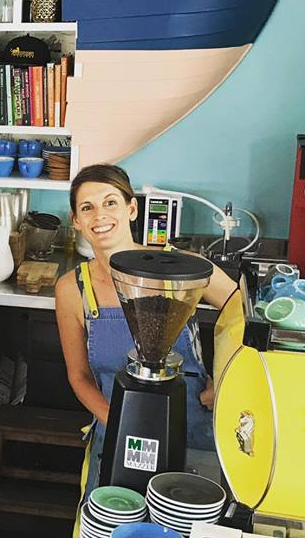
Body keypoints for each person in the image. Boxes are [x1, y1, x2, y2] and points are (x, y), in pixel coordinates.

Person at [54, 164, 236, 492]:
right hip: (118, 430)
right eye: (87, 207)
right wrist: (119, 422)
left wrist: (225, 379)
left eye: (110, 202)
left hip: (193, 430)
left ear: (132, 209)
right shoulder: (72, 289)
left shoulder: (181, 267)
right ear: (76, 220)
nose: (100, 215)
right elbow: (78, 376)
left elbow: (243, 317)